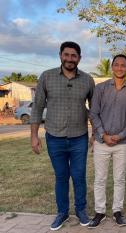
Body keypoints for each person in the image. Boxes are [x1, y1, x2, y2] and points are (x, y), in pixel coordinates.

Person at [30, 41, 95, 231]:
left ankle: (81, 210)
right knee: (61, 177)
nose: (69, 59)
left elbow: (94, 109)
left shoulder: (87, 80)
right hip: (54, 137)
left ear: (79, 58)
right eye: (66, 55)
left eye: (74, 56)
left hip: (79, 137)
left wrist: (94, 133)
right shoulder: (47, 77)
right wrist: (34, 136)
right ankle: (62, 212)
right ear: (60, 55)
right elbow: (37, 108)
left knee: (79, 176)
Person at [88, 54, 126, 228]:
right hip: (101, 143)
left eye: (123, 65)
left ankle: (118, 211)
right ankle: (100, 212)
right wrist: (103, 135)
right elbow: (93, 113)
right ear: (112, 67)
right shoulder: (100, 89)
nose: (119, 68)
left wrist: (120, 135)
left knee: (119, 179)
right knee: (100, 179)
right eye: (116, 65)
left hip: (121, 144)